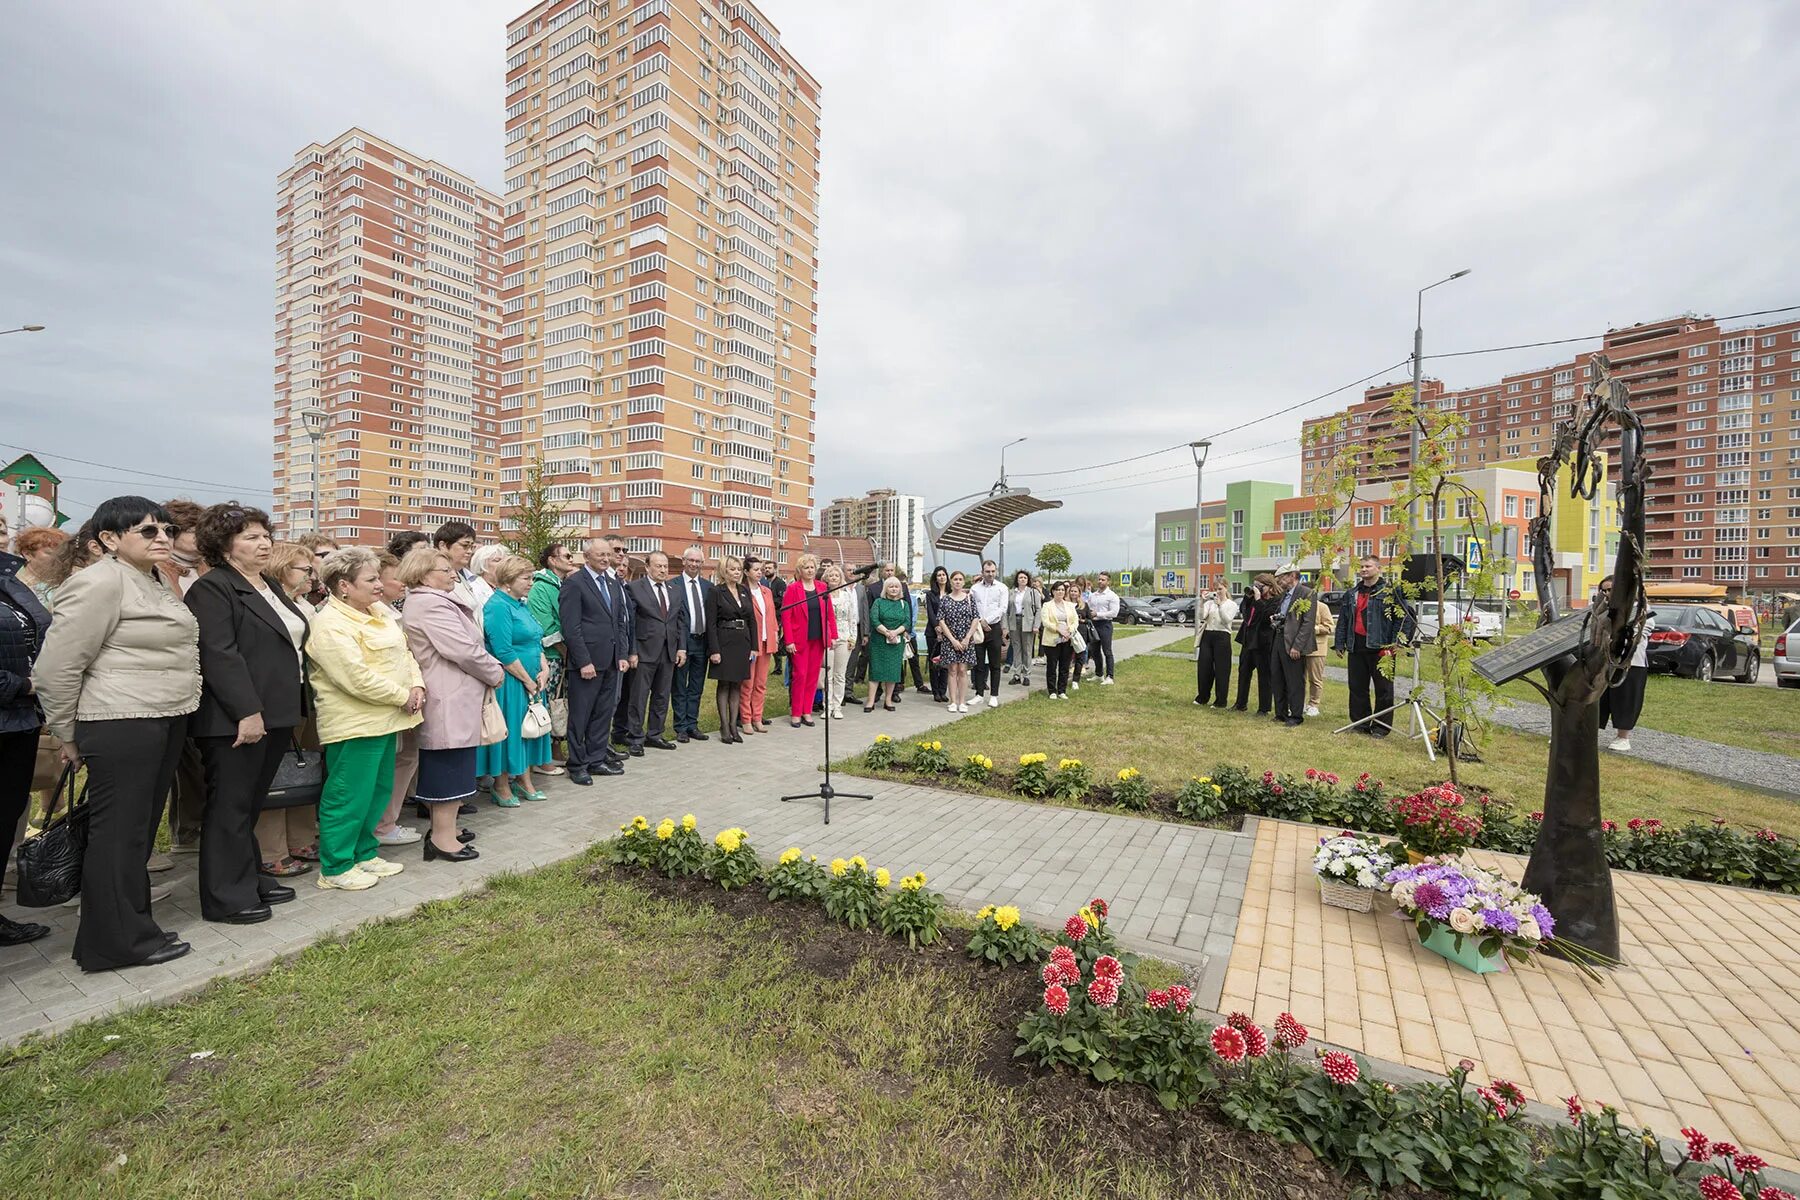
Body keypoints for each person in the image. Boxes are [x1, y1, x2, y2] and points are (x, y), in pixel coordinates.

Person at [32, 496, 201, 971]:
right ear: (108, 539)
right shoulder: (99, 582)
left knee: (137, 834)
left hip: (161, 717)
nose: (162, 538)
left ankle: (133, 928)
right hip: (120, 720)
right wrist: (66, 732)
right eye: (147, 532)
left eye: (165, 530)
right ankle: (111, 943)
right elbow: (57, 667)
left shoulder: (148, 579)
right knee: (118, 835)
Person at [184, 502, 311, 925]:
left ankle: (250, 877)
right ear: (224, 544)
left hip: (276, 710)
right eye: (250, 537)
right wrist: (247, 711)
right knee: (230, 806)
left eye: (265, 535)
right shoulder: (212, 587)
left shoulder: (266, 584)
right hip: (237, 718)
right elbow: (220, 654)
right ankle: (226, 896)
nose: (263, 543)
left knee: (251, 804)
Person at [304, 548, 424, 890]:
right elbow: (353, 676)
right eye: (370, 579)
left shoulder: (379, 613)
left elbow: (404, 654)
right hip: (356, 723)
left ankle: (364, 853)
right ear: (344, 585)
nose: (379, 585)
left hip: (388, 719)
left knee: (376, 790)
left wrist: (416, 683)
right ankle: (336, 866)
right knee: (348, 794)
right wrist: (403, 696)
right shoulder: (329, 624)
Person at [398, 545, 500, 860]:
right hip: (448, 695)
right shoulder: (430, 605)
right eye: (444, 570)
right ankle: (442, 838)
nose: (452, 574)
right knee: (448, 765)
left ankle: (448, 829)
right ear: (423, 574)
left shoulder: (433, 601)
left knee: (457, 763)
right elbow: (462, 649)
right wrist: (494, 670)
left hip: (454, 694)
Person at [256, 540, 322, 876]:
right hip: (276, 696)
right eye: (305, 569)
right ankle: (271, 850)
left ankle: (302, 837)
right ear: (282, 568)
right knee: (277, 773)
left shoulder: (302, 603)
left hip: (304, 693)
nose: (312, 575)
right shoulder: (267, 599)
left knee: (303, 766)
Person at [0, 528, 53, 945]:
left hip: (19, 721)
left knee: (6, 816)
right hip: (17, 698)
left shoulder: (10, 581)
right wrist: (26, 685)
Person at [480, 554, 556, 803]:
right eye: (526, 578)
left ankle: (524, 781)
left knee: (528, 730)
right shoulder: (498, 606)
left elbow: (535, 639)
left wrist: (544, 668)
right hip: (511, 682)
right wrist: (526, 680)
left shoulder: (521, 604)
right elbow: (502, 651)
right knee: (511, 731)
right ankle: (501, 785)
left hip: (533, 679)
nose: (531, 582)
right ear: (509, 580)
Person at [558, 540, 630, 784]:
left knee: (602, 713)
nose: (606, 559)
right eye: (600, 554)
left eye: (608, 555)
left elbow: (619, 622)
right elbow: (571, 627)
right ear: (586, 556)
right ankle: (577, 764)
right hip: (587, 664)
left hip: (611, 660)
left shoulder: (612, 582)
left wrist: (621, 655)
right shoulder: (575, 583)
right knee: (581, 715)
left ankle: (596, 759)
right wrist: (583, 661)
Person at [1332, 555, 1416, 738]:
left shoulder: (1391, 592)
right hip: (1356, 646)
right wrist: (1339, 643)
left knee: (1384, 690)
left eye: (1368, 566)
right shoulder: (1352, 593)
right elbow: (1343, 621)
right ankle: (1360, 724)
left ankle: (1380, 727)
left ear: (1378, 569)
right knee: (1357, 687)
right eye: (1361, 567)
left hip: (1382, 648)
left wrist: (1397, 643)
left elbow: (1403, 619)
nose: (1364, 569)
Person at [622, 551, 687, 753]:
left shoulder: (674, 589)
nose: (663, 570)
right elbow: (630, 623)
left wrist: (681, 647)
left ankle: (655, 734)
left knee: (662, 695)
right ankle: (635, 737)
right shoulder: (634, 588)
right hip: (643, 651)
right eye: (658, 566)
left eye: (665, 566)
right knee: (639, 696)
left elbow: (680, 621)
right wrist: (631, 651)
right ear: (648, 567)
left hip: (668, 651)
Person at [1595, 576, 1652, 753]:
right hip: (1603, 661)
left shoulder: (1640, 609)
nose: (1606, 593)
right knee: (1597, 697)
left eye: (1610, 589)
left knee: (1626, 698)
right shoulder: (1602, 609)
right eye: (1603, 590)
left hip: (1630, 663)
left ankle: (1623, 737)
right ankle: (1588, 733)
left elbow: (1642, 631)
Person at [704, 554, 757, 743]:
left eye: (738, 569)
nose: (736, 572)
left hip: (742, 642)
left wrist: (754, 646)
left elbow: (752, 620)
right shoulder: (716, 591)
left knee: (737, 684)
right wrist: (714, 650)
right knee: (724, 684)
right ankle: (724, 726)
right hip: (724, 641)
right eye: (732, 569)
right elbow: (710, 623)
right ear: (724, 571)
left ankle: (735, 725)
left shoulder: (744, 590)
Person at [778, 553, 834, 728]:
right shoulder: (793, 589)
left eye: (812, 567)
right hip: (799, 639)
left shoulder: (822, 587)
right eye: (806, 567)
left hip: (818, 638)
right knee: (800, 675)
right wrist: (789, 640)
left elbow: (829, 613)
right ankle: (796, 712)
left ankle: (807, 711)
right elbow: (785, 616)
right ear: (800, 570)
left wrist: (831, 636)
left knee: (812, 676)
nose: (810, 570)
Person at [670, 547, 714, 743]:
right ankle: (680, 727)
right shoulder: (674, 586)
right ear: (684, 561)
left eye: (698, 561)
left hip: (702, 642)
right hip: (682, 643)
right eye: (691, 561)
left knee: (696, 686)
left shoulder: (707, 586)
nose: (694, 565)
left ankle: (692, 724)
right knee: (679, 686)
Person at [1270, 568, 1316, 727]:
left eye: (1281, 578)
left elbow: (1307, 623)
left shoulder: (1306, 593)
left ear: (1292, 576)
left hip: (1293, 642)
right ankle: (1280, 713)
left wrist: (1297, 646)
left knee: (1295, 680)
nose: (1278, 582)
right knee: (1277, 677)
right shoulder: (1283, 594)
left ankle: (1296, 715)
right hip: (1278, 638)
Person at [739, 554, 779, 735]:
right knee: (747, 683)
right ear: (746, 572)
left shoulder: (766, 591)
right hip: (750, 643)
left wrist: (775, 633)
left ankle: (757, 717)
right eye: (755, 570)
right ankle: (745, 719)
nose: (759, 572)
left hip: (766, 641)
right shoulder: (742, 591)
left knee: (761, 683)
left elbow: (771, 615)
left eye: (761, 569)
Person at [822, 563, 865, 721]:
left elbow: (852, 619)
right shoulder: (823, 595)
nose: (834, 578)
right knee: (828, 674)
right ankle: (827, 706)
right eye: (831, 576)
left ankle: (837, 706)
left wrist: (853, 638)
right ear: (826, 578)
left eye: (836, 576)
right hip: (828, 639)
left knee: (840, 674)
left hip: (844, 637)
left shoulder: (846, 595)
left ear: (841, 578)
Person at [934, 569, 979, 713]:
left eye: (960, 579)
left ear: (963, 581)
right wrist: (952, 640)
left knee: (963, 670)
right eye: (955, 579)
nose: (957, 582)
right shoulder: (945, 599)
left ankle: (962, 701)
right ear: (951, 581)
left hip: (966, 640)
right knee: (952, 670)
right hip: (950, 640)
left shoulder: (969, 598)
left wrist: (966, 638)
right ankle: (953, 701)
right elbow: (941, 620)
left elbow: (975, 619)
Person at [865, 576, 910, 712]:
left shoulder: (904, 604)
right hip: (879, 641)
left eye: (896, 586)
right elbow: (874, 619)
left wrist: (895, 633)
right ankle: (870, 701)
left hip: (896, 642)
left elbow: (907, 622)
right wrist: (886, 632)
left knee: (892, 672)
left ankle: (888, 700)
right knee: (876, 671)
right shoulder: (879, 602)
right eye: (891, 586)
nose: (894, 589)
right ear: (886, 588)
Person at [1233, 574, 1276, 714]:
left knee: (1264, 675)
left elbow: (1266, 618)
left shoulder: (1275, 601)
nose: (1257, 589)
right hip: (1248, 640)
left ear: (1269, 587)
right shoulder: (1251, 599)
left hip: (1262, 643)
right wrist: (1248, 597)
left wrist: (1258, 600)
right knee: (1243, 672)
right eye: (1255, 585)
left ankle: (1264, 708)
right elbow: (1244, 613)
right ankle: (1240, 703)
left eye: (1260, 586)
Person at [968, 560, 1008, 708]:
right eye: (987, 571)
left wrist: (987, 620)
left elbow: (1002, 608)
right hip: (977, 628)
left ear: (996, 571)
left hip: (994, 628)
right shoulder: (975, 588)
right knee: (978, 663)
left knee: (994, 664)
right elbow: (971, 607)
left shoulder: (1002, 588)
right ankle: (978, 694)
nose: (990, 574)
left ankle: (994, 695)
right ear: (982, 572)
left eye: (992, 571)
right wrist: (980, 621)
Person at [1193, 586, 1238, 707]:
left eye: (1220, 589)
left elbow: (1226, 620)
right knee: (1204, 667)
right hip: (1208, 635)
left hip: (1222, 636)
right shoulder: (1209, 603)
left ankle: (1221, 700)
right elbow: (1202, 617)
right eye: (1215, 589)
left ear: (1226, 589)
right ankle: (1202, 696)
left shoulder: (1231, 604)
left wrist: (1220, 606)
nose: (1217, 592)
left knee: (1221, 669)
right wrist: (1202, 602)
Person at [1040, 580, 1079, 699]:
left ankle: (1062, 690)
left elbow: (1075, 620)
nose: (1060, 592)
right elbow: (1046, 622)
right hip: (1052, 639)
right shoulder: (1047, 605)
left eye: (1062, 590)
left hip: (1067, 638)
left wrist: (1069, 631)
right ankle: (1052, 690)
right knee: (1052, 665)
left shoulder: (1069, 605)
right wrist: (1058, 629)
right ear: (1053, 591)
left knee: (1064, 665)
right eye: (1058, 590)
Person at [13, 526, 68, 608]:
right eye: (49, 553)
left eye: (60, 553)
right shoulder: (12, 582)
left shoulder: (66, 581)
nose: (57, 558)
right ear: (27, 554)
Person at [1004, 568, 1041, 688]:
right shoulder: (1011, 592)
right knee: (1016, 649)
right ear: (1017, 579)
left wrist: (1036, 625)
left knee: (1027, 649)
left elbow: (1038, 610)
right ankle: (1016, 674)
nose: (1023, 579)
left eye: (1025, 578)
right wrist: (1005, 626)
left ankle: (1027, 675)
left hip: (1028, 623)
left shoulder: (1033, 592)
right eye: (1020, 577)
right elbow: (1006, 611)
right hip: (1014, 622)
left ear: (1028, 580)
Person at [1305, 584, 1336, 718]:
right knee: (1299, 678)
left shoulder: (1322, 607)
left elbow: (1329, 627)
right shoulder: (1298, 607)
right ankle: (1298, 703)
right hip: (1300, 648)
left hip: (1317, 649)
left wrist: (1315, 629)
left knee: (1315, 679)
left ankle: (1313, 705)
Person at [1086, 571, 1120, 684]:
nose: (1100, 581)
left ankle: (1110, 676)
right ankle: (1099, 674)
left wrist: (1098, 614)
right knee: (1094, 651)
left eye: (1103, 580)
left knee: (1107, 651)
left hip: (1105, 624)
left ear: (1108, 581)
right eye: (1099, 579)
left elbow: (1114, 613)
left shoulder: (1112, 596)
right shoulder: (1093, 595)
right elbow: (1089, 608)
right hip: (1094, 624)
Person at [923, 566, 951, 702]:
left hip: (949, 633)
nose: (941, 577)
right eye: (939, 575)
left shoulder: (951, 593)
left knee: (945, 662)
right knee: (934, 662)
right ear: (935, 578)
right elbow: (930, 613)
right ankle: (935, 692)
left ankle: (943, 691)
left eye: (944, 575)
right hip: (932, 633)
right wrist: (936, 626)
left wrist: (946, 629)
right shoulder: (930, 594)